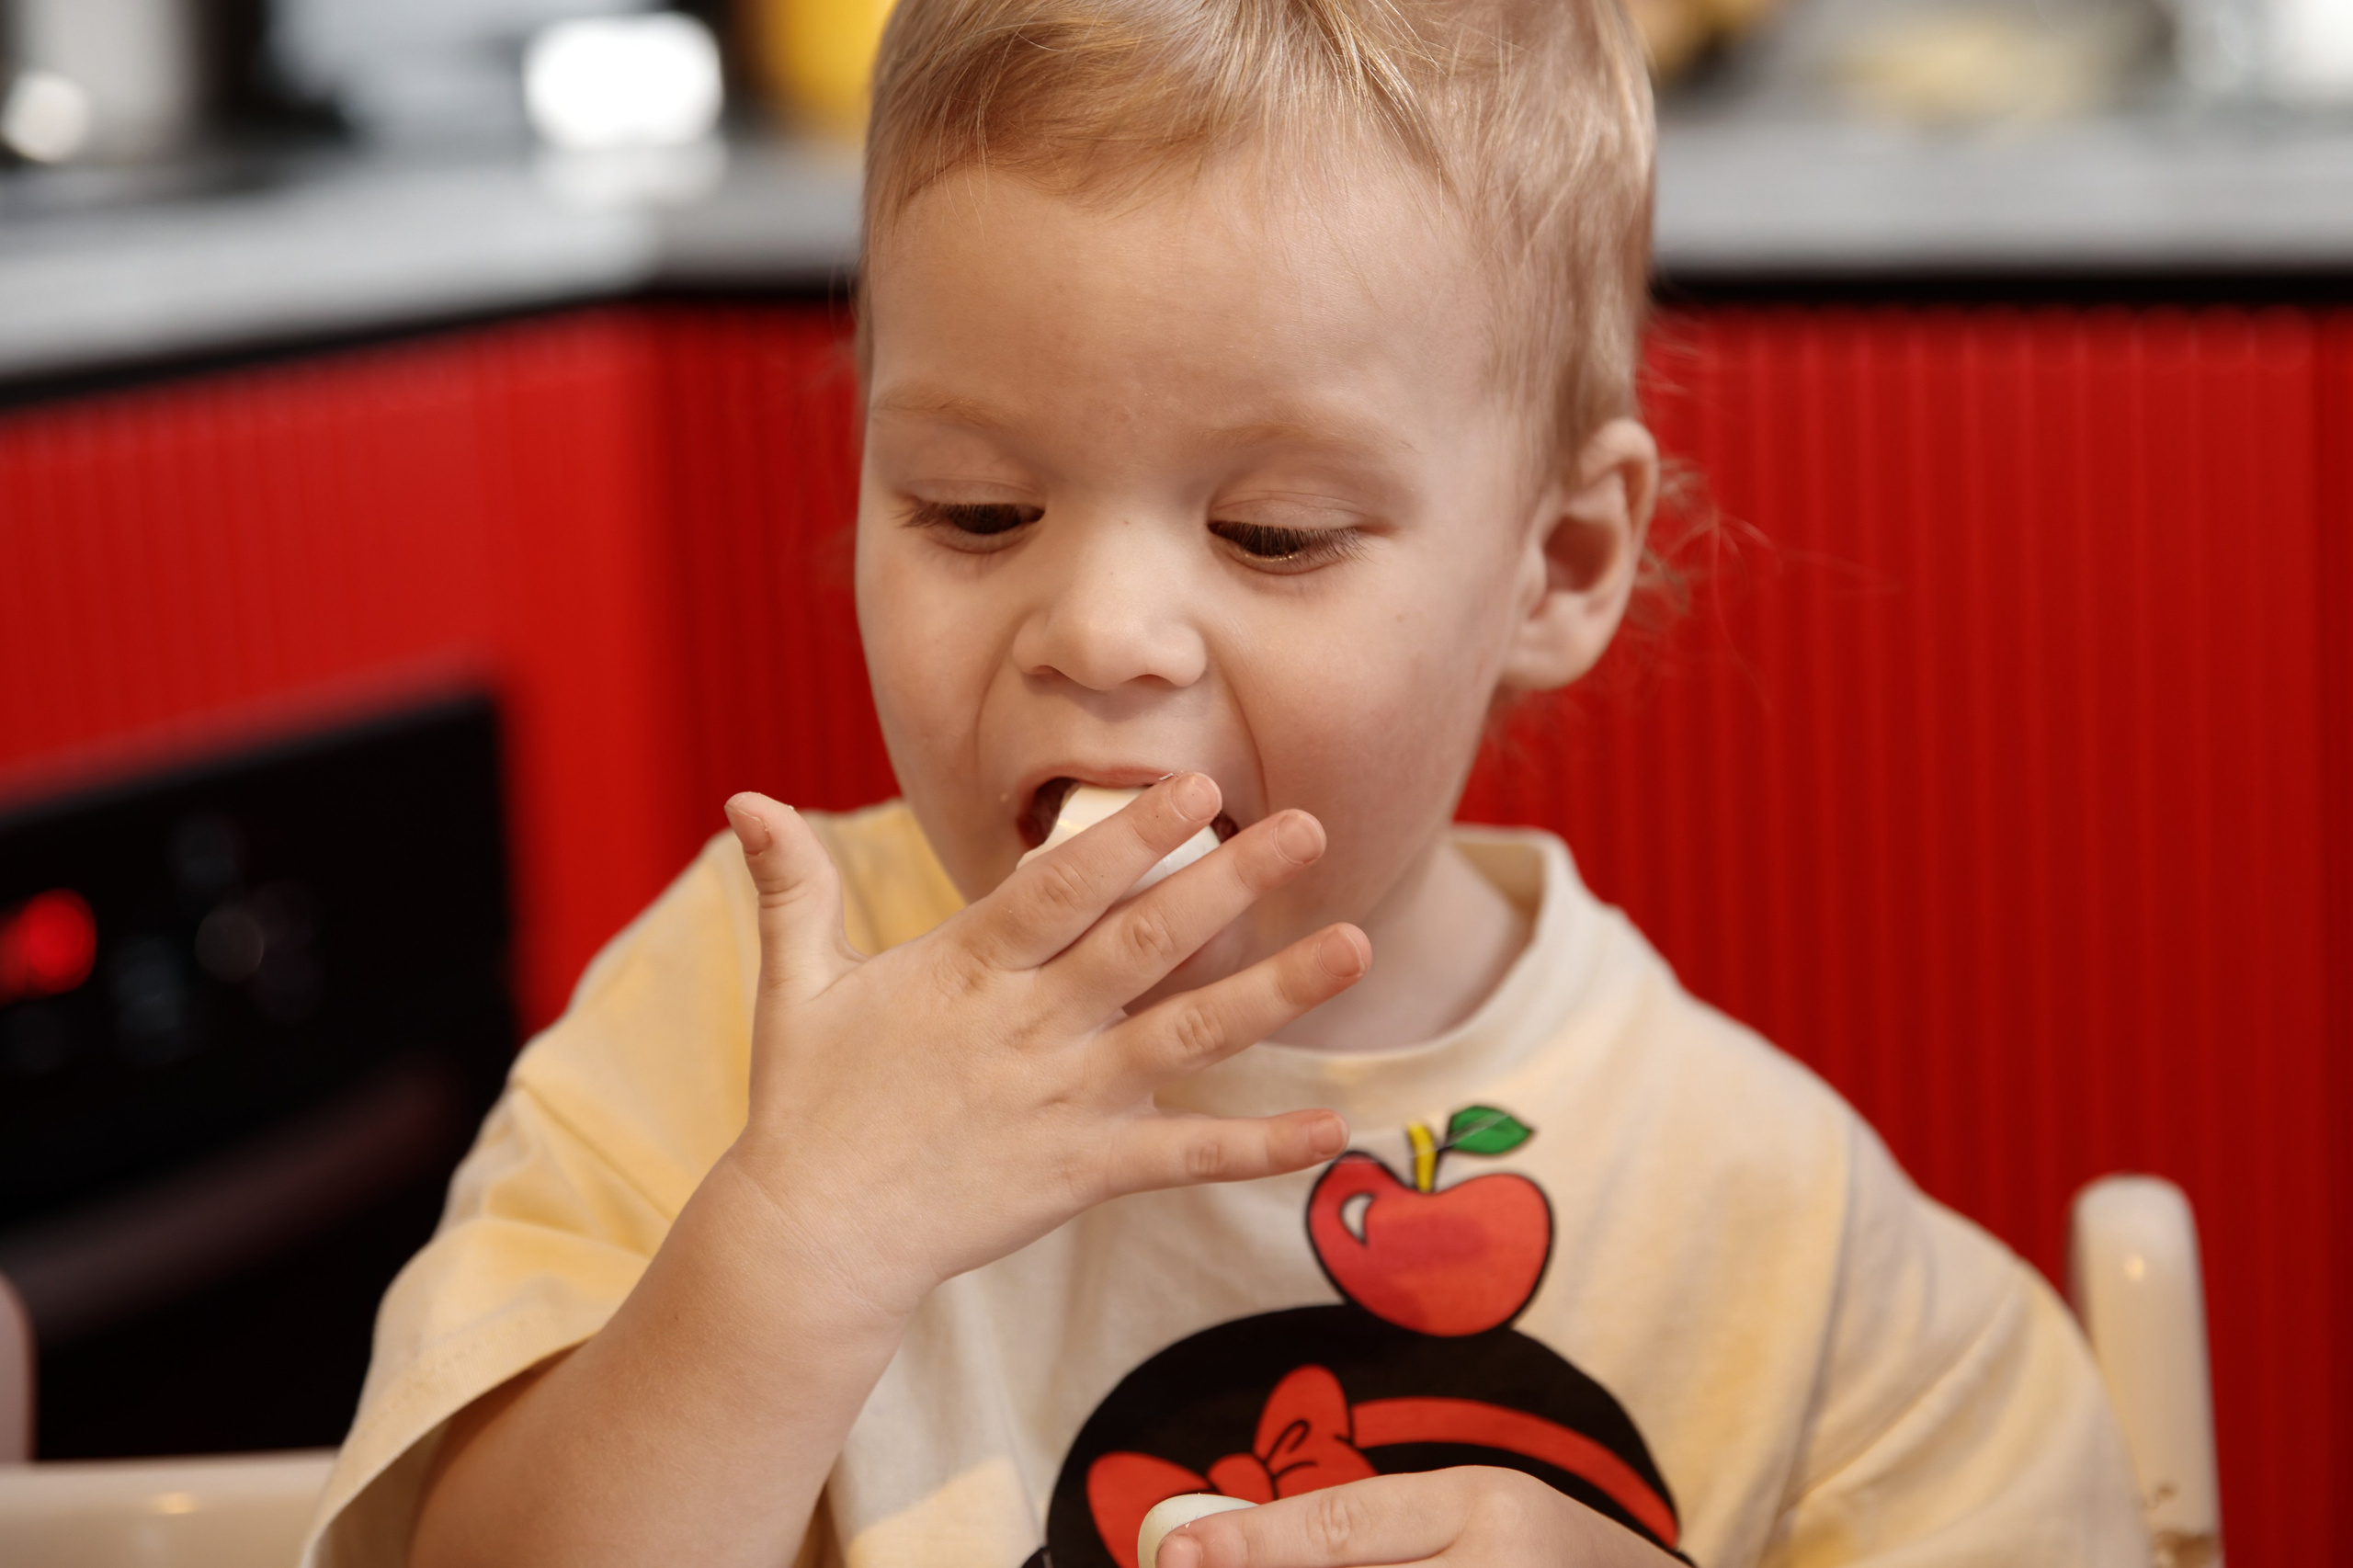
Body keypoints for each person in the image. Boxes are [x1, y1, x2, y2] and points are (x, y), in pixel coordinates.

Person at [302, 2, 2150, 1564]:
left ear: (1561, 562)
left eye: (1271, 533)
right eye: (974, 509)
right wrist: (793, 1250)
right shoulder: (736, 1032)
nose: (1101, 631)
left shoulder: (1778, 1236)